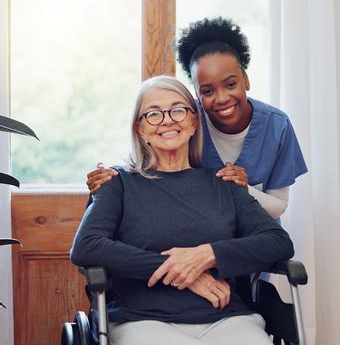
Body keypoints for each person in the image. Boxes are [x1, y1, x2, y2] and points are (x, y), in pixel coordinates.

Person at [71, 75, 294, 345]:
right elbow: (87, 246)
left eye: (178, 110)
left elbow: (278, 243)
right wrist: (181, 272)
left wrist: (207, 255)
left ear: (193, 122)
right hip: (143, 320)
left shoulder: (224, 183)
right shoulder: (117, 183)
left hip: (227, 319)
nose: (167, 120)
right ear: (140, 129)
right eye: (153, 114)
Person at [85, 17, 307, 220]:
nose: (221, 98)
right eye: (207, 91)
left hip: (256, 237)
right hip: (201, 233)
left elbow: (279, 204)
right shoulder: (185, 122)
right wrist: (110, 179)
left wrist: (243, 187)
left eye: (231, 84)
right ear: (196, 93)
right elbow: (150, 169)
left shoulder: (277, 126)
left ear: (246, 80)